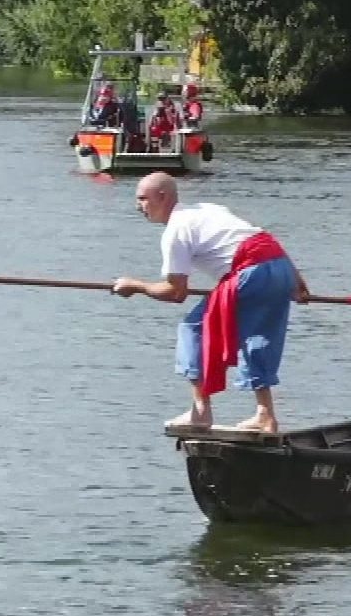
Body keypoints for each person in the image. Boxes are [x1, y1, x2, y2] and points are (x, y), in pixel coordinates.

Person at [111, 173, 310, 433]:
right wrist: (297, 281)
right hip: (279, 267)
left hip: (251, 271)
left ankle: (200, 411)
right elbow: (262, 237)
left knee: (193, 328)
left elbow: (176, 292)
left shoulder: (176, 230)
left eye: (142, 199)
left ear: (162, 197)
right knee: (257, 337)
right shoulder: (206, 210)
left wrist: (134, 286)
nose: (138, 206)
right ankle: (266, 416)